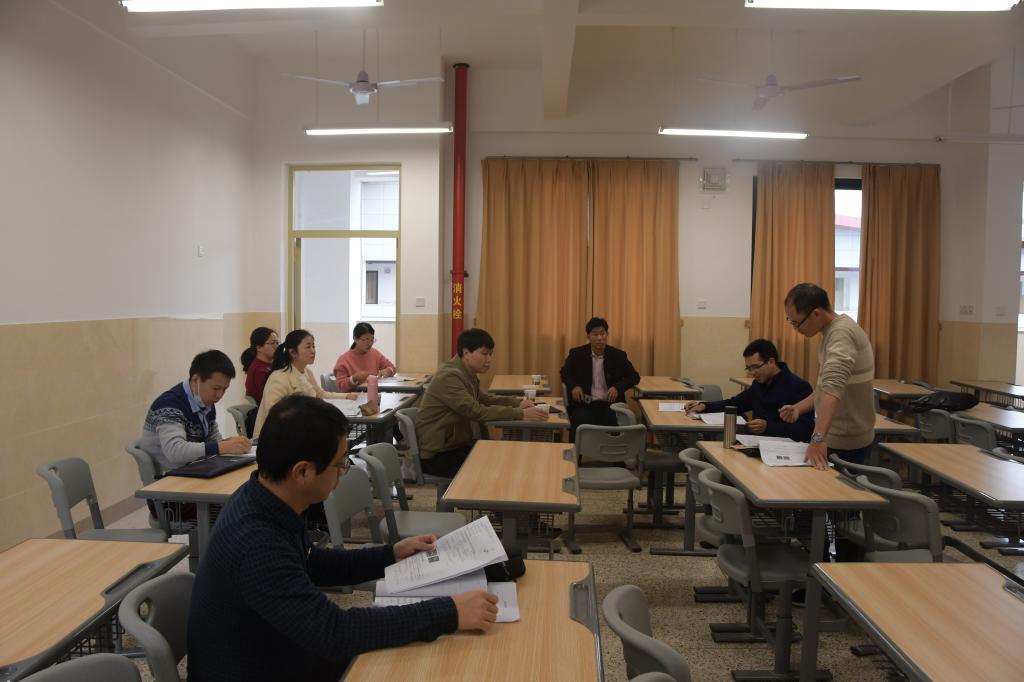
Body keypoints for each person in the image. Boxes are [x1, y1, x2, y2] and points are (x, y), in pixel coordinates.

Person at [187, 395, 499, 682]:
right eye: (339, 464)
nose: (343, 472)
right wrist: (449, 612)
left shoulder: (264, 496)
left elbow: (311, 562)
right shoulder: (254, 541)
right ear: (302, 472)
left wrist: (391, 554)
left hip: (279, 652)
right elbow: (334, 632)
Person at [416, 328, 548, 479]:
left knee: (504, 456)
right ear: (466, 353)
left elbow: (484, 399)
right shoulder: (449, 375)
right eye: (484, 354)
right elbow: (475, 410)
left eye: (491, 354)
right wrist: (520, 414)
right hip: (437, 455)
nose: (489, 359)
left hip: (455, 446)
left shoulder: (466, 373)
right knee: (498, 467)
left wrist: (517, 403)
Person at [779, 283, 876, 470]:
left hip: (847, 442)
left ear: (816, 313)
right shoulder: (831, 331)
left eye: (797, 323)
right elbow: (825, 386)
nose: (796, 329)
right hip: (836, 436)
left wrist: (817, 438)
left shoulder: (841, 334)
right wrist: (800, 407)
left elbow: (833, 388)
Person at [140, 350, 251, 474]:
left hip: (197, 468)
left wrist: (230, 444)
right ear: (195, 380)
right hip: (171, 476)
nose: (220, 395)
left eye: (224, 389)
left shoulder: (205, 402)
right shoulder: (169, 405)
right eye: (216, 388)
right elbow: (175, 451)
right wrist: (221, 447)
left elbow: (213, 439)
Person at [684, 338, 815, 442]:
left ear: (771, 362)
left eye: (755, 367)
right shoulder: (758, 384)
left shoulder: (799, 387)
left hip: (782, 450)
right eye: (748, 368)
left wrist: (768, 427)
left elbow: (806, 431)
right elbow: (736, 403)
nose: (752, 373)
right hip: (756, 444)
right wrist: (705, 406)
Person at [252, 330, 357, 438]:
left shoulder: (306, 371)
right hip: (277, 436)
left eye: (313, 346)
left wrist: (347, 396)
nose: (313, 351)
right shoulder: (279, 378)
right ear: (293, 352)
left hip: (300, 430)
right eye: (308, 347)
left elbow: (320, 394)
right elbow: (275, 414)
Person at [560, 317, 640, 436]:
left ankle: (613, 448)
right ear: (588, 336)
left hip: (610, 404)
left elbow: (634, 377)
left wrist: (617, 387)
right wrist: (574, 386)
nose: (599, 338)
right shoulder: (577, 354)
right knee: (579, 420)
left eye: (602, 334)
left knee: (614, 421)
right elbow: (565, 373)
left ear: (607, 334)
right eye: (595, 334)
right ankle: (578, 448)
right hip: (584, 403)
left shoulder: (618, 355)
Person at [333, 322, 397, 392]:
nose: (369, 344)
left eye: (372, 340)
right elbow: (340, 386)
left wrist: (389, 371)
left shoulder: (375, 353)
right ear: (355, 338)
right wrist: (354, 379)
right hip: (355, 397)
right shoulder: (344, 360)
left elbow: (392, 367)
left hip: (375, 394)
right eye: (366, 340)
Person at [240, 326, 279, 405]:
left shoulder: (267, 366)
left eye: (277, 343)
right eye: (272, 343)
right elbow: (273, 398)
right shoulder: (260, 371)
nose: (276, 346)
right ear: (259, 347)